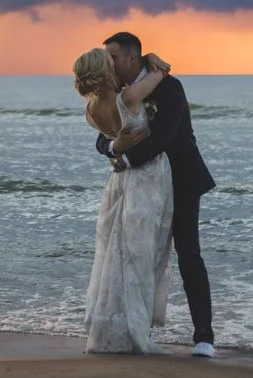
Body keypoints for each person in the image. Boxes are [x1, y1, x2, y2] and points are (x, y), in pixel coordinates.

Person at [97, 31, 218, 357]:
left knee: (188, 254)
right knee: (135, 254)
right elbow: (102, 137)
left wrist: (123, 158)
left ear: (132, 57)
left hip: (181, 180)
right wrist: (113, 147)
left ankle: (204, 337)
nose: (110, 64)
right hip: (142, 186)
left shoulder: (169, 87)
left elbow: (163, 137)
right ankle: (132, 327)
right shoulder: (118, 92)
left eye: (114, 57)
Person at [73, 46, 172, 353]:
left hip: (119, 181)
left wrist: (116, 146)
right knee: (141, 254)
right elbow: (160, 74)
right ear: (104, 70)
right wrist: (154, 61)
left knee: (116, 255)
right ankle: (135, 330)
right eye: (110, 62)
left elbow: (110, 143)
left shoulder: (91, 111)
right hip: (148, 178)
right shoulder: (127, 99)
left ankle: (116, 326)